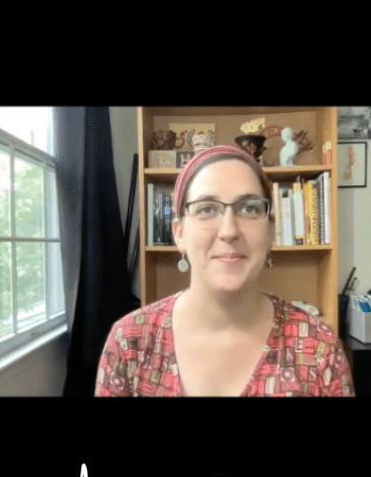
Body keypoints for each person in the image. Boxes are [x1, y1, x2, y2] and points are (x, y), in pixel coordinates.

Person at [96, 145, 353, 397]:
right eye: (207, 209)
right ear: (179, 233)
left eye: (249, 208)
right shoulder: (129, 343)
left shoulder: (319, 350)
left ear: (270, 232)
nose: (229, 230)